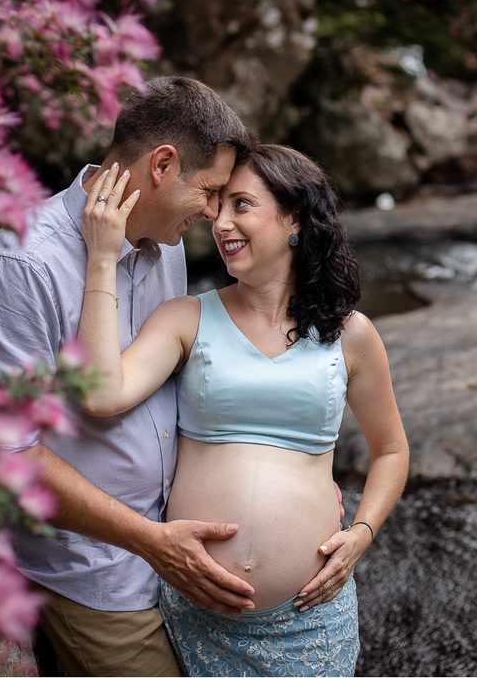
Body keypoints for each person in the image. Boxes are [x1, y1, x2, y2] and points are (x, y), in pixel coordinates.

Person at [0, 76, 261, 677]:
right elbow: (4, 455)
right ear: (162, 165)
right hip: (94, 571)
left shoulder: (163, 246)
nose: (214, 212)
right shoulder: (20, 266)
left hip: (170, 555)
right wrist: (149, 540)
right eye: (210, 191)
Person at [77, 144, 410, 676]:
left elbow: (391, 449)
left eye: (242, 205)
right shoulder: (186, 318)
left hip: (310, 621)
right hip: (198, 617)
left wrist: (362, 535)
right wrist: (102, 258)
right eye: (218, 205)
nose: (220, 222)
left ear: (294, 219)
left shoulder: (352, 335)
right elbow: (100, 393)